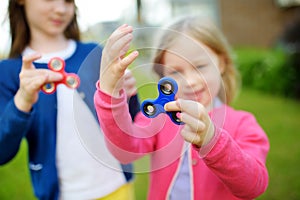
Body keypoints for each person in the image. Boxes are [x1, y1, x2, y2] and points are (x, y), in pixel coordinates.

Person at [94, 16, 270, 199]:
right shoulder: (159, 117)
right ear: (163, 76)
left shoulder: (243, 123)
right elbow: (124, 151)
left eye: (200, 66)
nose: (190, 82)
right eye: (175, 72)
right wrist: (110, 94)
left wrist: (212, 140)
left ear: (221, 63)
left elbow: (253, 186)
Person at [0, 0, 140, 199]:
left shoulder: (94, 53)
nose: (60, 9)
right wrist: (22, 101)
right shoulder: (8, 71)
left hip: (117, 185)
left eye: (67, 1)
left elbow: (134, 123)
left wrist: (129, 95)